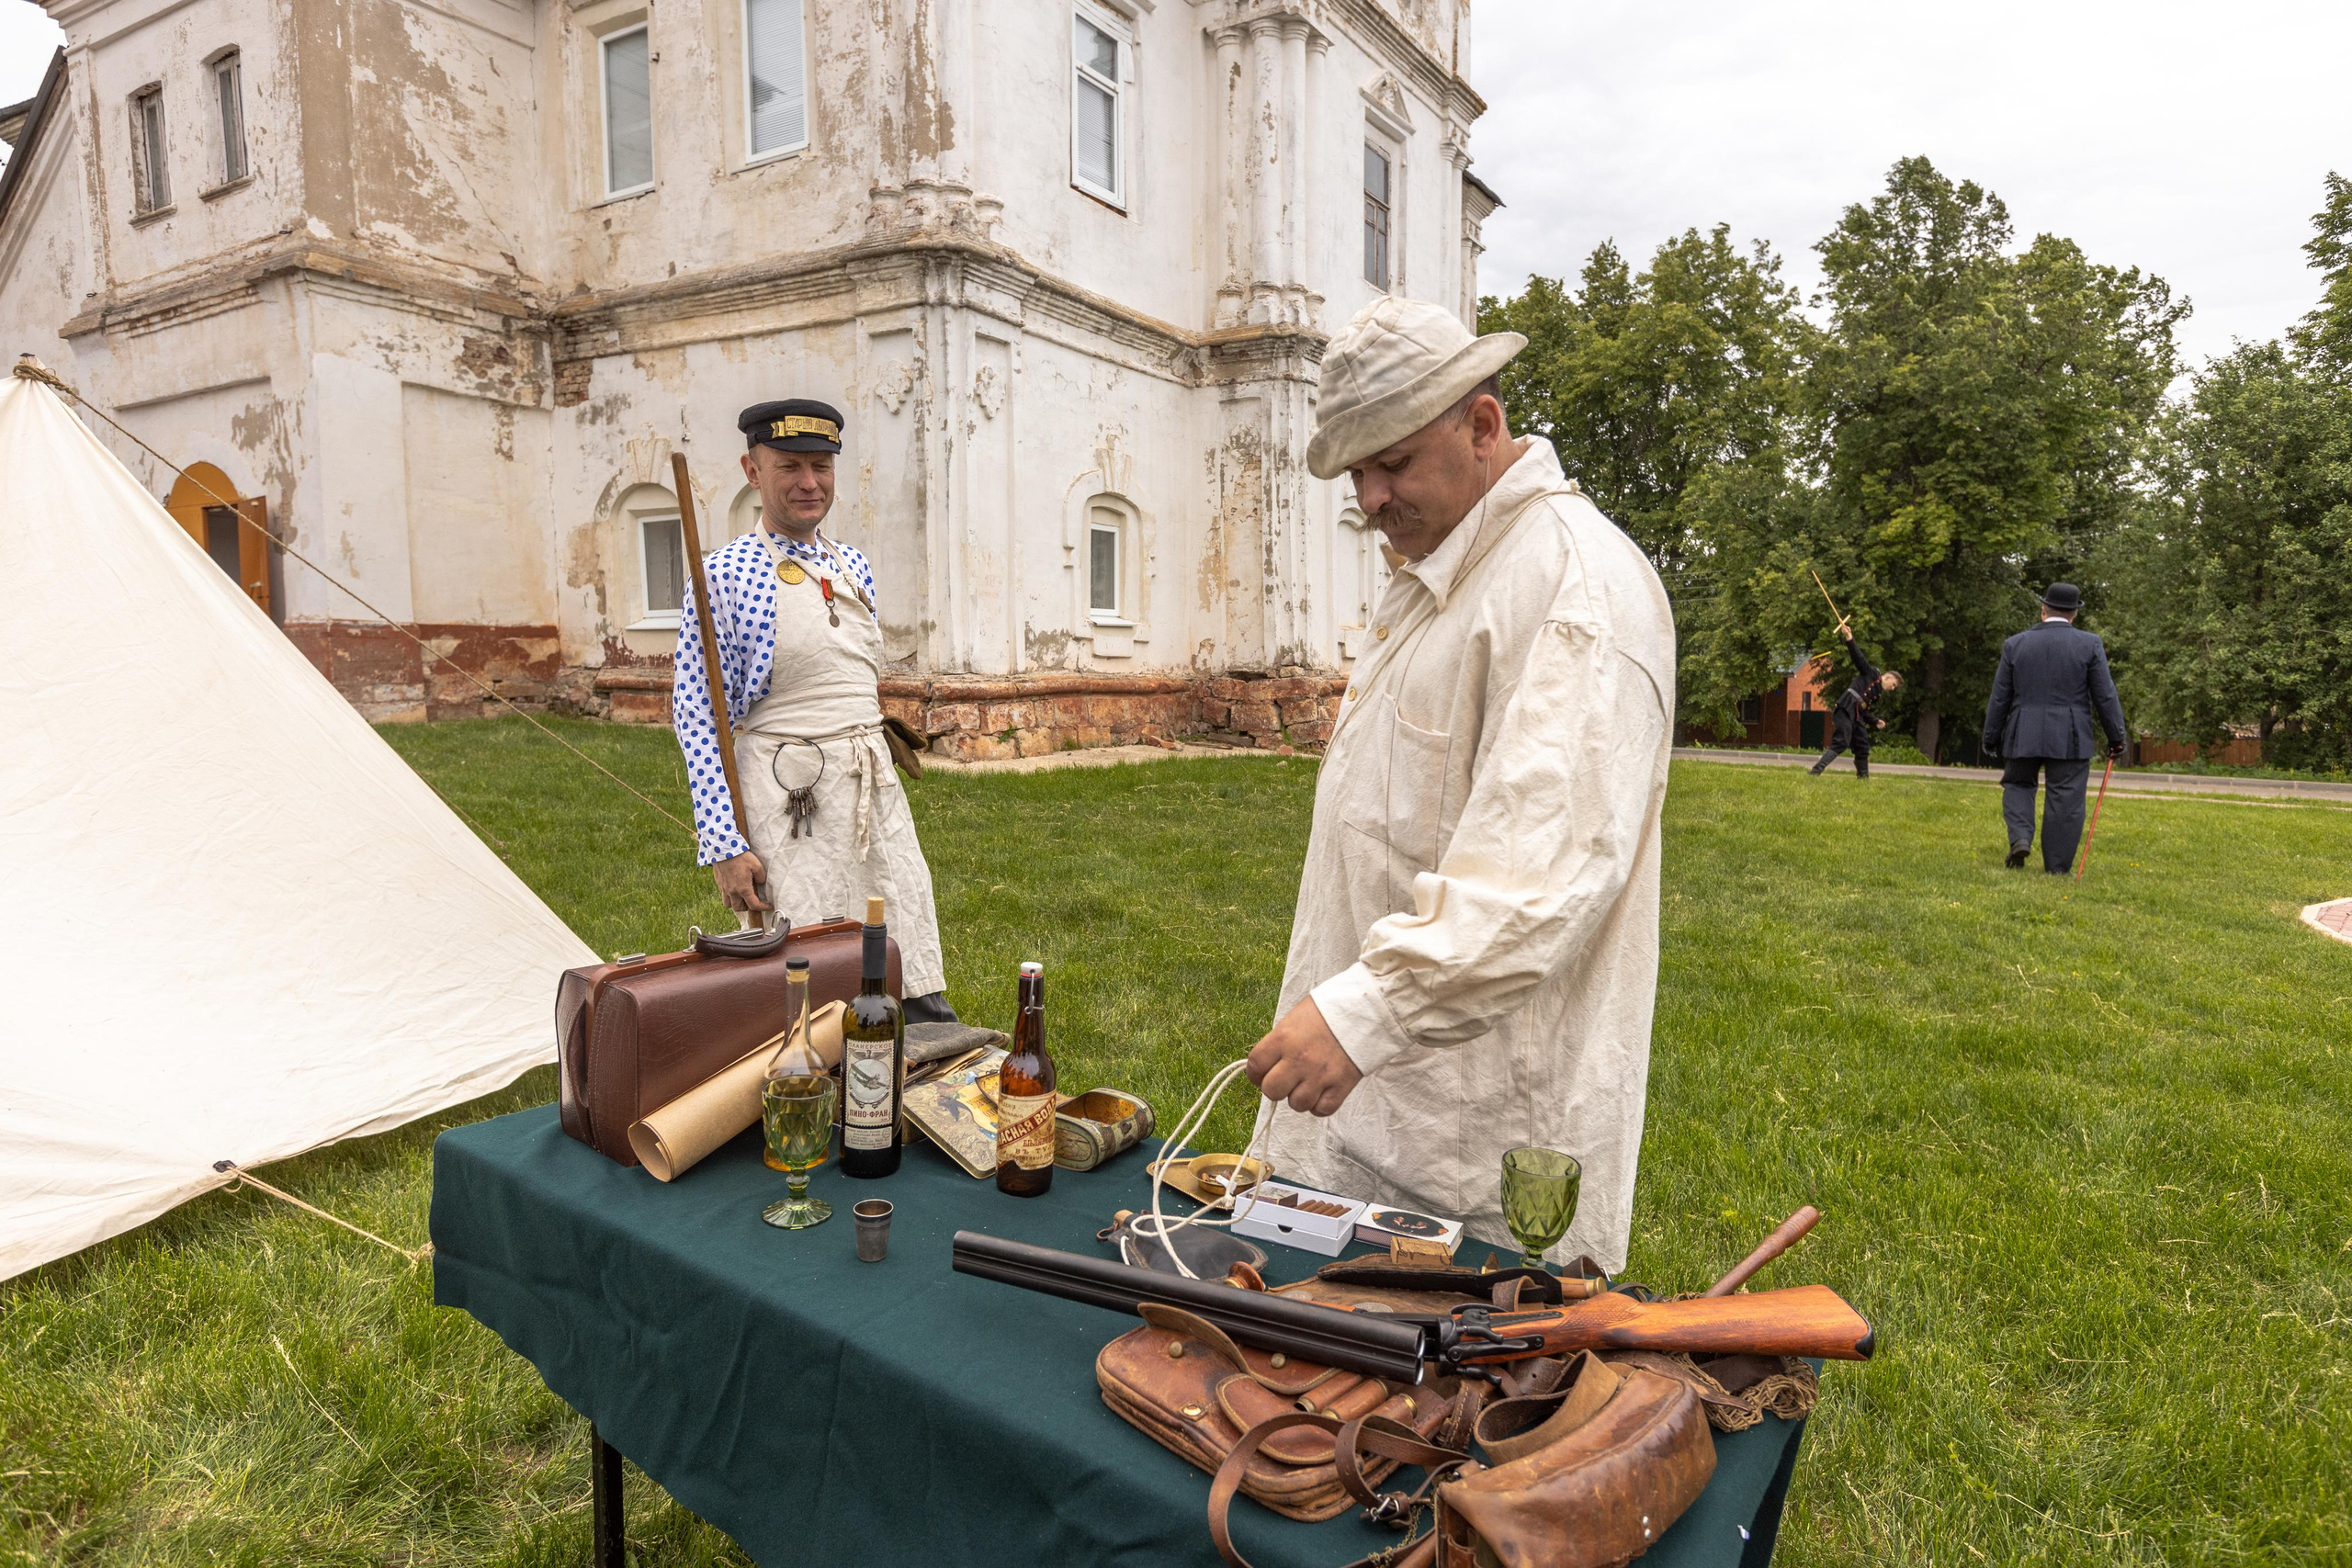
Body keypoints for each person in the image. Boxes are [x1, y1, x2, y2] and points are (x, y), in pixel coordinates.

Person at [1241, 297, 1676, 1273]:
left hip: (1479, 1145)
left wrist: (1366, 1013)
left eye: (1390, 462)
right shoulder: (1447, 573)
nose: (1369, 498)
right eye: (1357, 472)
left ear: (1482, 427)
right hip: (1367, 1109)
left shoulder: (1573, 591)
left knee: (1457, 1408)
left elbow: (1539, 877)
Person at [672, 399, 956, 1022]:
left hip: (870, 785)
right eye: (789, 466)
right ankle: (819, 1083)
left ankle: (922, 1061)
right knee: (809, 958)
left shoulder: (852, 565)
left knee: (902, 918)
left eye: (821, 466)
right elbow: (696, 713)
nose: (809, 483)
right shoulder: (722, 575)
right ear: (752, 469)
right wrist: (723, 842)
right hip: (789, 792)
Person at [1980, 582, 2129, 874]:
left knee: (2018, 784)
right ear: (2074, 614)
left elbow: (2000, 696)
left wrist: (1991, 736)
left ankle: (2021, 837)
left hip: (2024, 729)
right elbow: (2105, 695)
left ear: (2043, 610)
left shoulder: (2016, 644)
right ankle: (2057, 867)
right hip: (2070, 734)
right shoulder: (2090, 644)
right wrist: (2116, 737)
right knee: (2066, 796)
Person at [1808, 621, 1902, 778]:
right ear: (1887, 677)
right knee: (1842, 741)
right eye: (1893, 685)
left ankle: (1863, 778)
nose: (1892, 689)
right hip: (1845, 709)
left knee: (1863, 745)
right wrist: (1849, 638)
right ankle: (1815, 772)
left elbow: (1863, 711)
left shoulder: (1877, 694)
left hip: (1856, 715)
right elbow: (1858, 658)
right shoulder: (1871, 674)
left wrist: (1874, 721)